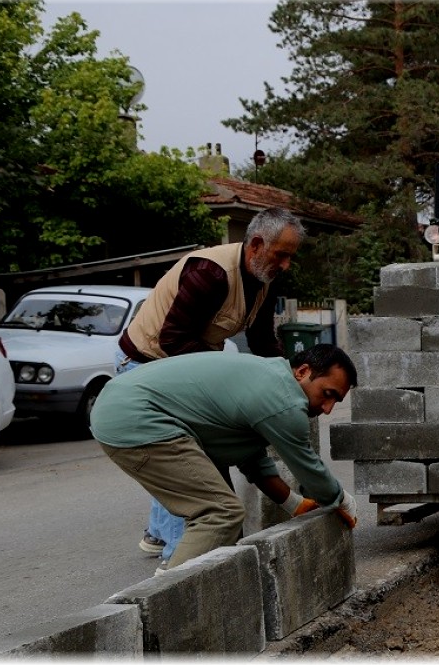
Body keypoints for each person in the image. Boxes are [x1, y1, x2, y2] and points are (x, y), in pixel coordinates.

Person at [116, 207, 305, 567]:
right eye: (281, 255)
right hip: (144, 364)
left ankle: (158, 533)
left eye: (290, 257)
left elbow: (262, 341)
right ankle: (181, 566)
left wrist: (289, 378)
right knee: (185, 459)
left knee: (178, 454)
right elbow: (173, 339)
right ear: (256, 245)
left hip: (178, 362)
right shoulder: (211, 273)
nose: (286, 265)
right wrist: (225, 380)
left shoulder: (263, 278)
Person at [92, 344, 359, 571]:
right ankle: (164, 600)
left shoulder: (268, 379)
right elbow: (309, 470)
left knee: (224, 528)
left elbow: (252, 458)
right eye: (327, 394)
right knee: (219, 513)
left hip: (122, 404)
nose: (327, 409)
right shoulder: (285, 402)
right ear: (303, 372)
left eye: (336, 401)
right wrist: (342, 501)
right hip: (137, 416)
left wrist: (294, 504)